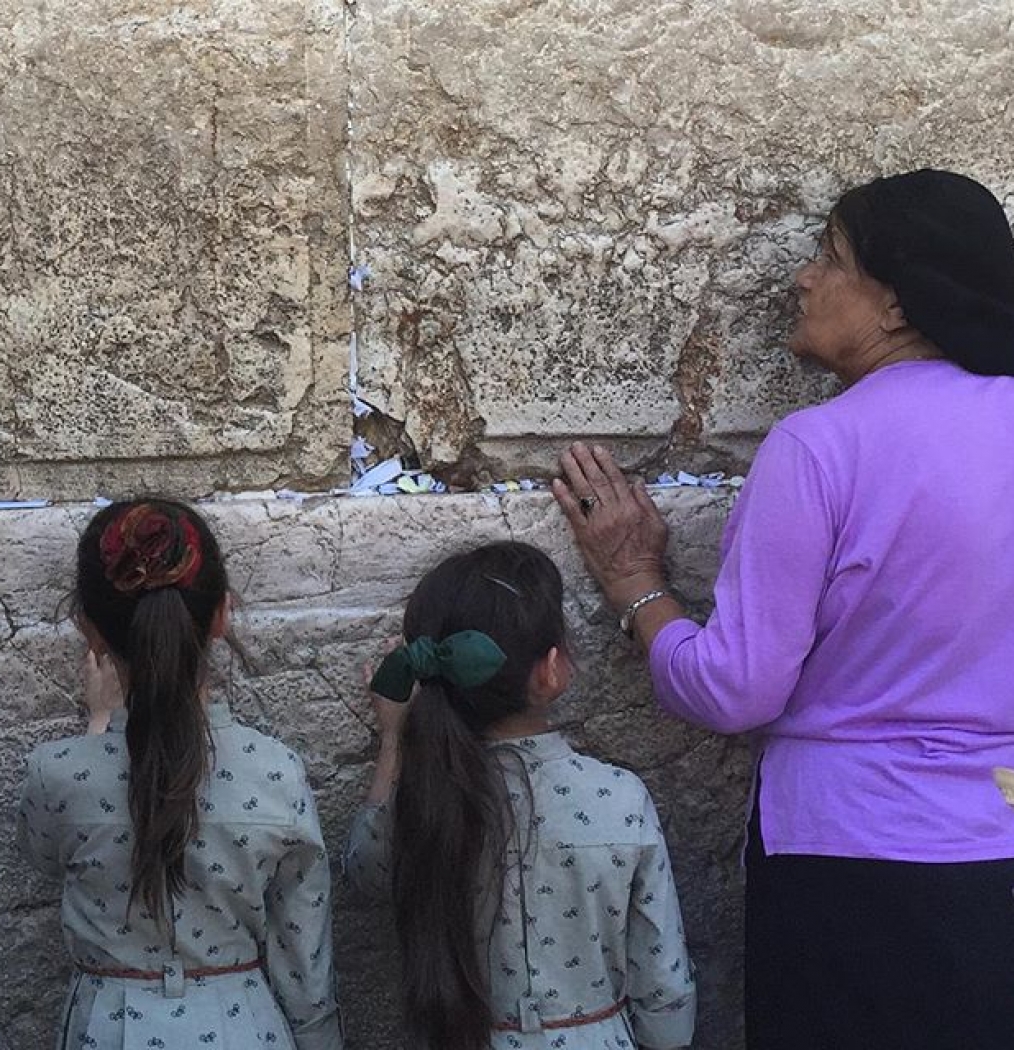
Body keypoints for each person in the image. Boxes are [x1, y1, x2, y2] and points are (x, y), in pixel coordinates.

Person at [552, 168, 1014, 1050]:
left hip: (852, 859)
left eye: (831, 256)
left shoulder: (820, 446)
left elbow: (735, 690)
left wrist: (635, 585)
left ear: (898, 306)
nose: (803, 276)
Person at [344, 541, 696, 1050]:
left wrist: (395, 740)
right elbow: (663, 987)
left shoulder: (420, 800)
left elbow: (366, 873)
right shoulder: (618, 799)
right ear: (550, 670)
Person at [17, 499, 342, 1050]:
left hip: (109, 1027)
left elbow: (46, 858)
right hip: (244, 1024)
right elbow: (303, 954)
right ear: (222, 614)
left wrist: (100, 726)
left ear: (88, 629)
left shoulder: (57, 774)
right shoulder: (276, 772)